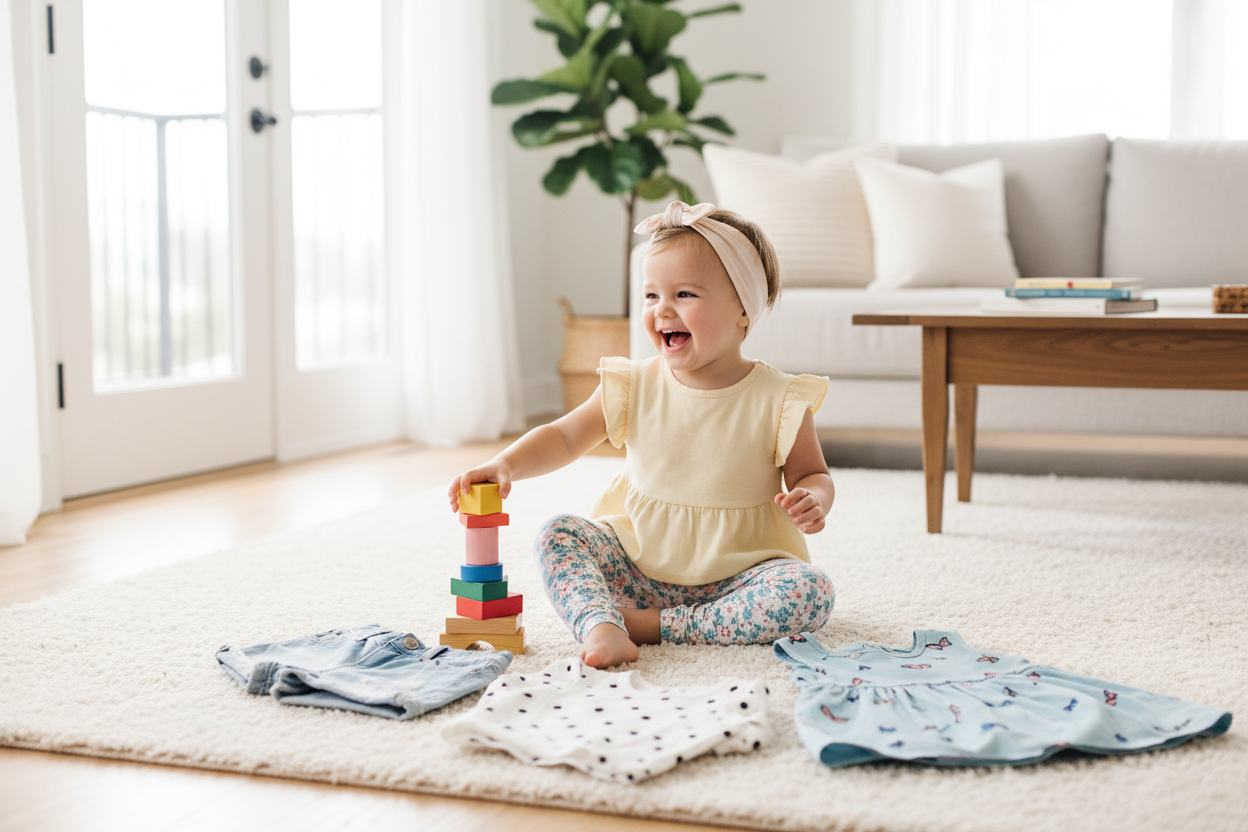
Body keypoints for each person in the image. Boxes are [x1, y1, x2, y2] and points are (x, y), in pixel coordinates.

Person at [448, 201, 835, 669]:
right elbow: (564, 437)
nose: (662, 310)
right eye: (652, 296)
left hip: (741, 575)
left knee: (811, 594)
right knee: (558, 534)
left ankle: (647, 626)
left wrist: (813, 497)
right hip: (636, 565)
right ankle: (601, 622)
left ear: (742, 309)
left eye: (685, 295)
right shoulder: (635, 383)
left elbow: (813, 473)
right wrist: (505, 463)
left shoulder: (780, 397)